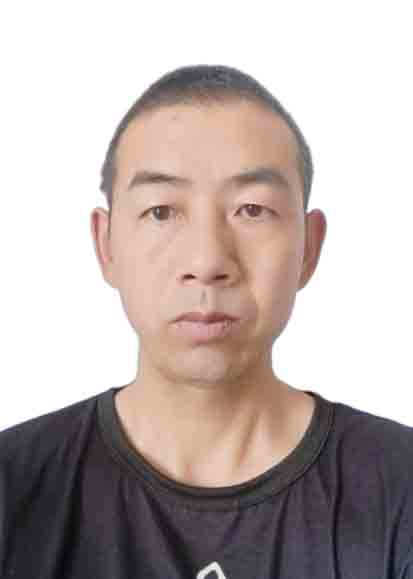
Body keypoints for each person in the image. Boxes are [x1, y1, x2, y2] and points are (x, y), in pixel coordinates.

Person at [0, 64, 412, 579]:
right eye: (161, 211)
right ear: (106, 245)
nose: (207, 260)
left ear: (309, 248)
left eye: (252, 209)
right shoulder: (14, 488)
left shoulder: (400, 487)